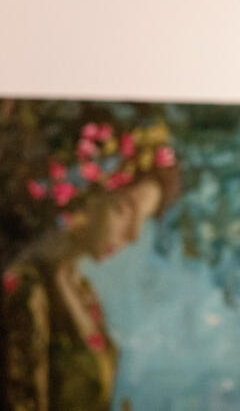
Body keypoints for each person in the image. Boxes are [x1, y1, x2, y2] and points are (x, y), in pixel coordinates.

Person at [1, 121, 179, 411]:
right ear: (88, 197)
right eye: (124, 210)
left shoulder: (81, 289)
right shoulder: (25, 286)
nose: (133, 236)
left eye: (142, 221)